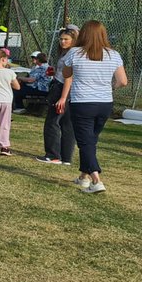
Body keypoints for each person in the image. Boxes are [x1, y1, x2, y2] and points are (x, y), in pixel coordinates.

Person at [56, 20, 128, 194]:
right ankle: (84, 177)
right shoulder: (114, 54)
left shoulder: (75, 53)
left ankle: (96, 180)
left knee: (85, 141)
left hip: (82, 103)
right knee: (91, 140)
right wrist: (109, 87)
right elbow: (123, 81)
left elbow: (66, 74)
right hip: (104, 103)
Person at [38, 29, 77, 164]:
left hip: (62, 88)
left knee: (52, 122)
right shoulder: (67, 53)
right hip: (65, 87)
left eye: (66, 39)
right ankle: (66, 157)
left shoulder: (72, 53)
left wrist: (62, 97)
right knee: (67, 123)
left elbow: (69, 78)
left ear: (74, 40)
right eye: (61, 39)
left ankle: (53, 155)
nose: (62, 41)